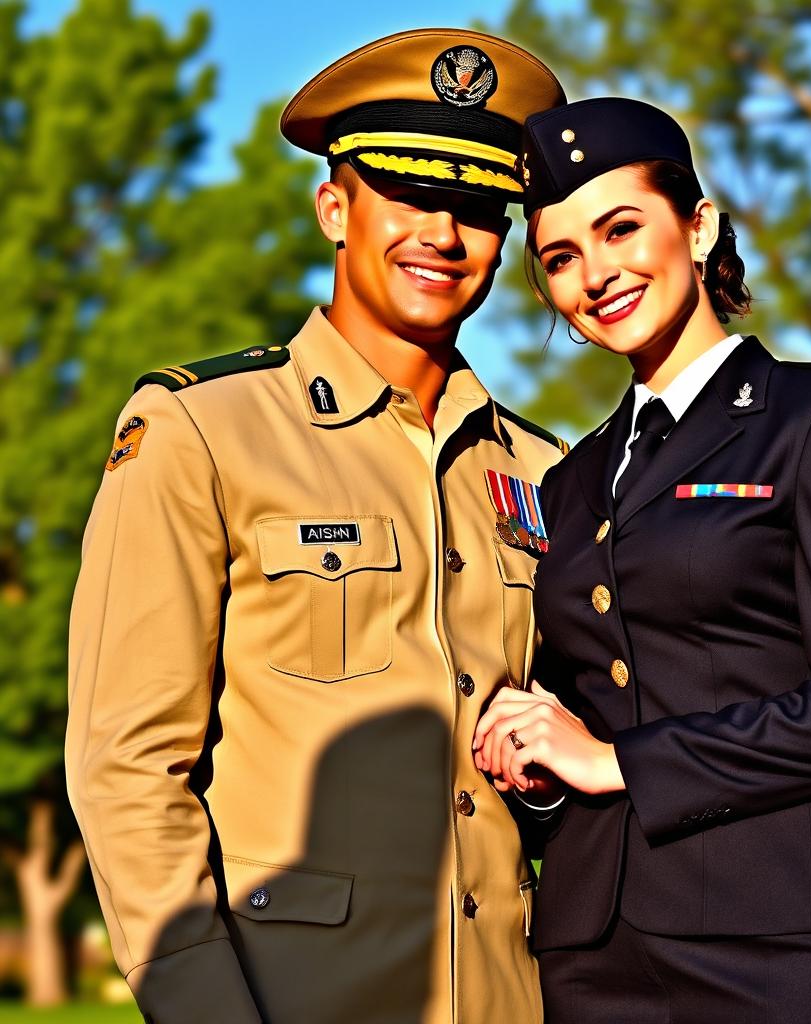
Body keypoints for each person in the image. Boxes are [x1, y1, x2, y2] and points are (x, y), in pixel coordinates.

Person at [66, 28, 568, 1024]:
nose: (444, 235)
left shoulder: (544, 469)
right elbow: (127, 768)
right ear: (335, 208)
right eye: (411, 197)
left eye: (476, 209)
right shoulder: (200, 429)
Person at [474, 97, 811, 1024]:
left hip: (781, 945)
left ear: (699, 224)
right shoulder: (566, 479)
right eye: (561, 258)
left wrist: (618, 763)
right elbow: (590, 714)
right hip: (592, 955)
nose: (596, 275)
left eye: (621, 228)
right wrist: (539, 759)